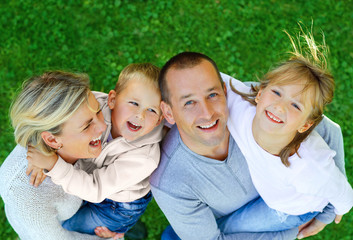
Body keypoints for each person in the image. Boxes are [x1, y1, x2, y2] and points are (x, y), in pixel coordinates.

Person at [150, 51, 346, 240]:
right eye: (189, 103)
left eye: (212, 95)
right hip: (251, 213)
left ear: (225, 92)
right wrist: (292, 233)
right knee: (217, 230)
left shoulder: (259, 108)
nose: (207, 113)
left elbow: (330, 131)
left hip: (286, 200)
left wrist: (328, 208)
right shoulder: (171, 183)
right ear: (168, 112)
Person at [216, 30, 353, 232]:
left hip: (290, 208)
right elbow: (198, 80)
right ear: (259, 93)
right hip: (269, 184)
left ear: (305, 125)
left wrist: (325, 218)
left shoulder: (309, 165)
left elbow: (345, 195)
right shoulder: (239, 107)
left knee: (231, 228)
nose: (280, 107)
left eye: (296, 106)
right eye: (277, 92)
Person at [27, 63, 164, 238]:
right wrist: (45, 148)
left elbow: (95, 189)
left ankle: (123, 230)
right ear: (112, 99)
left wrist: (53, 165)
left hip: (116, 206)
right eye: (134, 103)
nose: (140, 115)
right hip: (100, 182)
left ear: (159, 120)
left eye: (152, 110)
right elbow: (58, 119)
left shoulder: (144, 158)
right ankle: (129, 229)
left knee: (70, 225)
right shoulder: (96, 104)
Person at [0, 71, 113, 239]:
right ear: (52, 140)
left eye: (97, 112)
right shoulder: (26, 197)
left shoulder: (80, 120)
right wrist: (109, 238)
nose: (103, 127)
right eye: (87, 125)